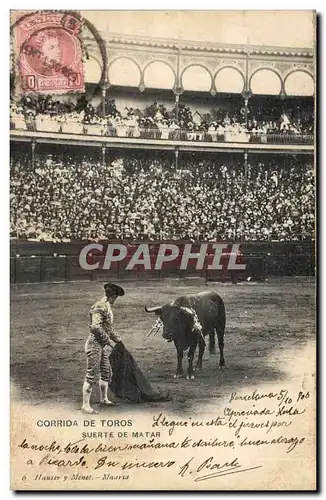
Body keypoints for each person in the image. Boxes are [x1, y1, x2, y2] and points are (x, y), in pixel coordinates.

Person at [81, 282, 125, 414]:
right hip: (94, 344)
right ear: (113, 296)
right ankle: (85, 406)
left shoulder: (105, 306)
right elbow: (95, 327)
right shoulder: (100, 306)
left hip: (100, 345)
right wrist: (107, 340)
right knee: (91, 374)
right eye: (115, 297)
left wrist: (117, 339)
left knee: (106, 371)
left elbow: (108, 328)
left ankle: (104, 399)